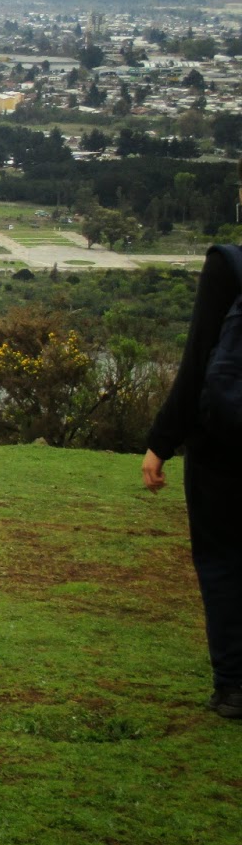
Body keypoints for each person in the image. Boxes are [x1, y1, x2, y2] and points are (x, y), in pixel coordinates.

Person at [142, 243, 242, 721]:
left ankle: (234, 687)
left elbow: (200, 354)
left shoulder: (230, 264)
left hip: (226, 447)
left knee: (223, 563)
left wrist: (162, 441)